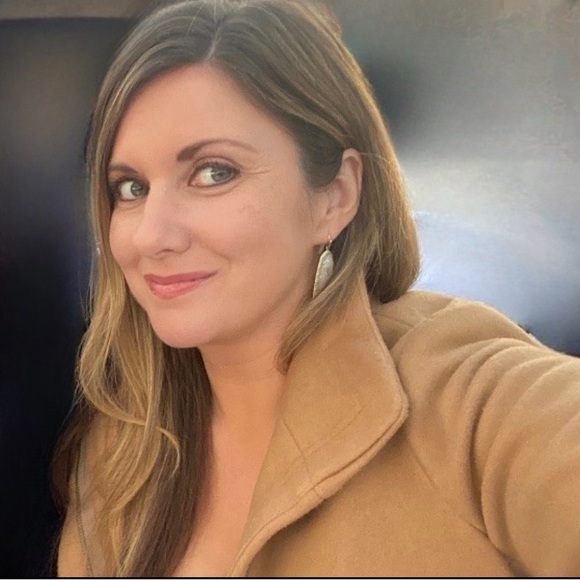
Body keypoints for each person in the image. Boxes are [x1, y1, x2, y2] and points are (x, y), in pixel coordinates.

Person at [53, 0, 580, 576]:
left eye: (213, 172)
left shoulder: (467, 401)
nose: (152, 236)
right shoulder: (119, 456)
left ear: (335, 197)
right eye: (130, 188)